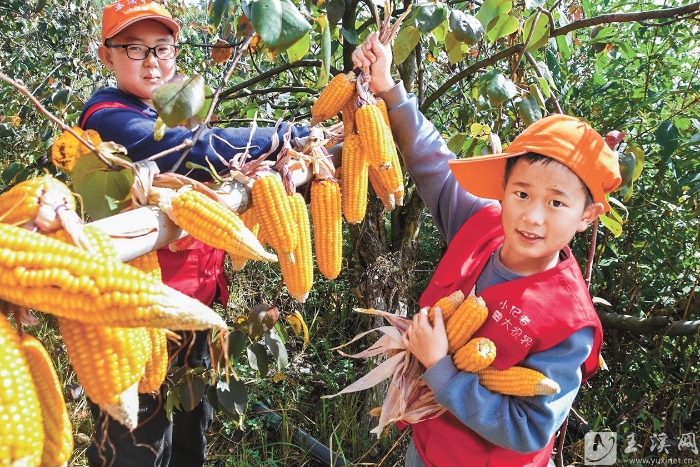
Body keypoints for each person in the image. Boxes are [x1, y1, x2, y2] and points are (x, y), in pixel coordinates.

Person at [352, 33, 621, 467]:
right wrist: (388, 88)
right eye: (521, 194)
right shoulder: (483, 224)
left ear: (587, 215)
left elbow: (529, 429)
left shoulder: (569, 324)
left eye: (556, 203)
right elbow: (431, 163)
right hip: (425, 451)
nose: (532, 217)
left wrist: (440, 367)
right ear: (502, 191)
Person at [79, 1, 311, 466]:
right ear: (107, 56)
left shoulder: (177, 109)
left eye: (161, 49)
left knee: (189, 433)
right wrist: (289, 133)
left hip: (193, 308)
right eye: (134, 48)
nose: (151, 62)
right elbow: (190, 152)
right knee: (139, 442)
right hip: (140, 317)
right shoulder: (106, 116)